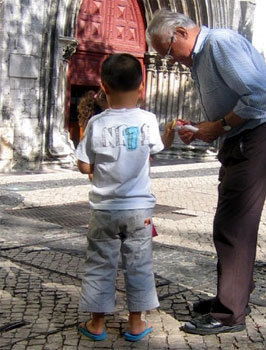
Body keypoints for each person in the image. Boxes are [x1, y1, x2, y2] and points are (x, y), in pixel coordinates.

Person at [147, 9, 266, 335]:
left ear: (180, 33)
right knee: (233, 225)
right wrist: (203, 129)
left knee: (233, 227)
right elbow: (236, 100)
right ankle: (232, 297)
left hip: (254, 139)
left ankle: (229, 314)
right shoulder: (204, 54)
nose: (169, 61)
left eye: (166, 51)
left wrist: (219, 125)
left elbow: (262, 96)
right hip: (239, 141)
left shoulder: (219, 43)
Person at [76, 53, 175, 342]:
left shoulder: (96, 123)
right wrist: (168, 133)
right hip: (139, 210)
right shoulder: (148, 120)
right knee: (139, 263)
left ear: (103, 87)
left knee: (99, 263)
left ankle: (97, 324)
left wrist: (93, 168)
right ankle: (135, 324)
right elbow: (156, 149)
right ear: (141, 88)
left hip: (104, 209)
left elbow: (84, 164)